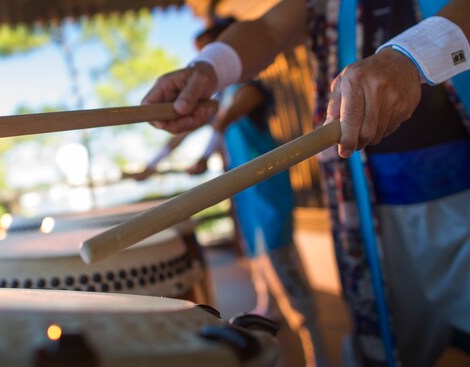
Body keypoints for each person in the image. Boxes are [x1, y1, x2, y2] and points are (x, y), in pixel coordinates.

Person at [141, 1, 470, 366]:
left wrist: (407, 57)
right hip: (372, 215)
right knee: (381, 350)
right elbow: (269, 29)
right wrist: (207, 69)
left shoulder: (248, 96)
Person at [130, 19, 330, 367]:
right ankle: (274, 336)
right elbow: (184, 132)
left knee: (283, 266)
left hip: (268, 192)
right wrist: (151, 164)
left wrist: (204, 157)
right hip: (247, 196)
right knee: (262, 268)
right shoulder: (219, 98)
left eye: (211, 51)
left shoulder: (249, 89)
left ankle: (320, 353)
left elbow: (222, 122)